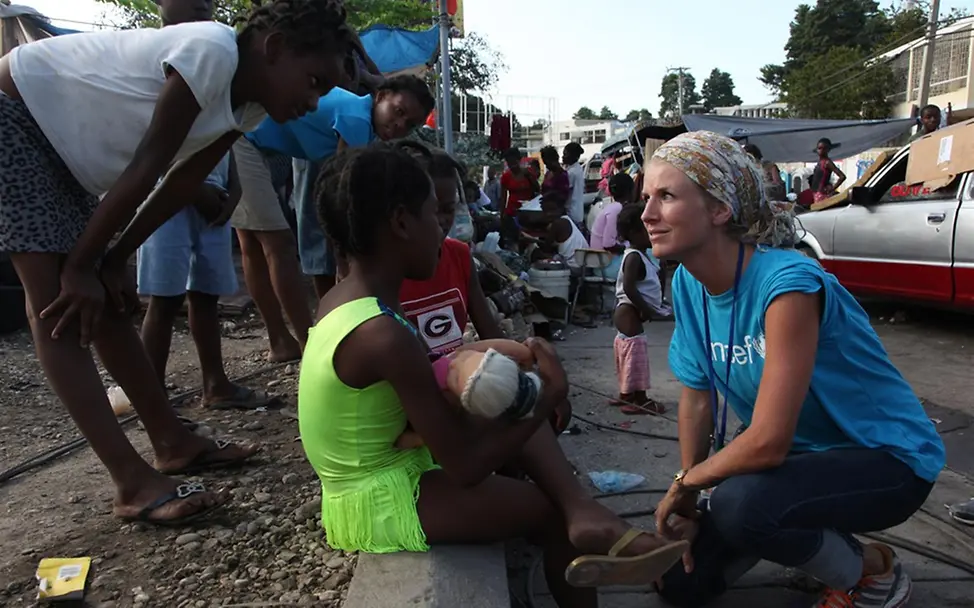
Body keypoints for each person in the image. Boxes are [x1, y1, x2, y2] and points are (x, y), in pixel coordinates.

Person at [0, 0, 350, 524]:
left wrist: (112, 258)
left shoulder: (248, 106)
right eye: (314, 80)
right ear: (274, 49)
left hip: (61, 152)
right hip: (15, 117)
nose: (313, 99)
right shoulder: (211, 50)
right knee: (55, 305)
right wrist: (81, 266)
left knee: (105, 299)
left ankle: (171, 441)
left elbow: (180, 183)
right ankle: (131, 481)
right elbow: (150, 163)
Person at [298, 143, 687, 608]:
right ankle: (581, 518)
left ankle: (586, 513)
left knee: (506, 401)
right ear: (401, 223)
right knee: (546, 511)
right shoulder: (381, 333)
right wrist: (548, 396)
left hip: (388, 467)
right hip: (378, 499)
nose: (442, 229)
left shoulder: (352, 300)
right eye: (432, 214)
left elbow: (427, 390)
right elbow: (463, 466)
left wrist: (497, 368)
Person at [639, 131, 945, 608]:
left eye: (667, 196)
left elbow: (767, 441)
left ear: (720, 209)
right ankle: (809, 536)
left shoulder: (789, 286)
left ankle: (870, 572)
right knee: (680, 585)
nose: (647, 214)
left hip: (884, 458)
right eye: (646, 198)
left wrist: (688, 486)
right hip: (802, 459)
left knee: (741, 506)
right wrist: (688, 487)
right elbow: (697, 397)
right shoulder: (687, 285)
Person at [135, 0, 274, 409]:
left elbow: (228, 133)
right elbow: (152, 143)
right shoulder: (153, 55)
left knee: (207, 295)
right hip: (167, 199)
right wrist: (193, 190)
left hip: (213, 198)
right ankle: (151, 394)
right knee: (163, 298)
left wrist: (232, 191)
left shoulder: (220, 59)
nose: (203, 5)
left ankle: (216, 384)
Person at [247, 74, 435, 299]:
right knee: (277, 244)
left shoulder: (366, 124)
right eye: (399, 111)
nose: (399, 125)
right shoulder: (358, 119)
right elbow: (343, 197)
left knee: (256, 244)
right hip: (250, 138)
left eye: (410, 125)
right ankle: (306, 326)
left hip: (266, 141)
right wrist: (344, 264)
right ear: (381, 96)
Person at [400, 151, 503, 355]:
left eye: (448, 210)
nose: (441, 220)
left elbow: (490, 333)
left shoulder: (459, 255)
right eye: (433, 210)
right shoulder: (389, 271)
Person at [612, 205, 668, 416]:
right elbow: (628, 287)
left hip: (628, 312)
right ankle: (640, 399)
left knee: (628, 354)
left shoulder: (642, 256)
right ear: (635, 233)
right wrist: (646, 310)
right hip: (629, 311)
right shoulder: (634, 257)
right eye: (648, 230)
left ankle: (627, 394)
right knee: (637, 356)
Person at [589, 173, 635, 280]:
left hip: (603, 263)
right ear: (630, 191)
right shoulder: (617, 209)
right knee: (651, 256)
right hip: (606, 266)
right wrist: (629, 247)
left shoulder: (612, 207)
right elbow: (608, 244)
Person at [499, 147, 539, 250]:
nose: (512, 165)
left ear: (519, 160)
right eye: (509, 163)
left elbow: (537, 189)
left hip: (527, 213)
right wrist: (502, 214)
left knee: (527, 240)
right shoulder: (506, 177)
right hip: (512, 212)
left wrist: (529, 177)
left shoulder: (528, 172)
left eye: (513, 162)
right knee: (512, 240)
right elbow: (503, 197)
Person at [809, 138, 846, 205]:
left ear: (828, 150)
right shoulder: (820, 162)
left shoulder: (827, 162)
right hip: (816, 194)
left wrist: (832, 189)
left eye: (824, 148)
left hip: (822, 196)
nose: (821, 150)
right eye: (819, 148)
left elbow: (842, 176)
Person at [563, 142, 586, 225]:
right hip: (578, 213)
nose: (563, 157)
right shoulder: (578, 168)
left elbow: (564, 191)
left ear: (573, 156)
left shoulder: (572, 173)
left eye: (565, 154)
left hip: (571, 213)